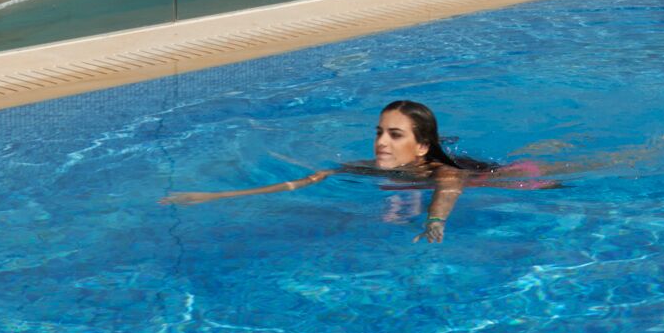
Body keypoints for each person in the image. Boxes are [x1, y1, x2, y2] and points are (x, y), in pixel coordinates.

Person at [162, 99, 550, 242]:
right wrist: (213, 196)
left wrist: (434, 225)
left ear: (421, 146)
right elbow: (300, 183)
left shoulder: (442, 173)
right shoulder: (364, 168)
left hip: (516, 178)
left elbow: (447, 193)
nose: (381, 143)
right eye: (379, 133)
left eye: (395, 135)